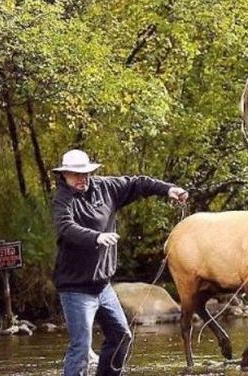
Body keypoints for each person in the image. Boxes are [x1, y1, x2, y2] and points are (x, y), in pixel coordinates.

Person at [51, 149, 188, 376]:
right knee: (81, 348)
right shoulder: (63, 200)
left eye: (85, 173)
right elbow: (66, 228)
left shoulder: (106, 188)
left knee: (121, 336)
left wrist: (168, 189)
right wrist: (96, 237)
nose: (81, 179)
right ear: (64, 174)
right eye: (75, 175)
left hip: (103, 286)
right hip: (75, 288)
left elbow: (139, 183)